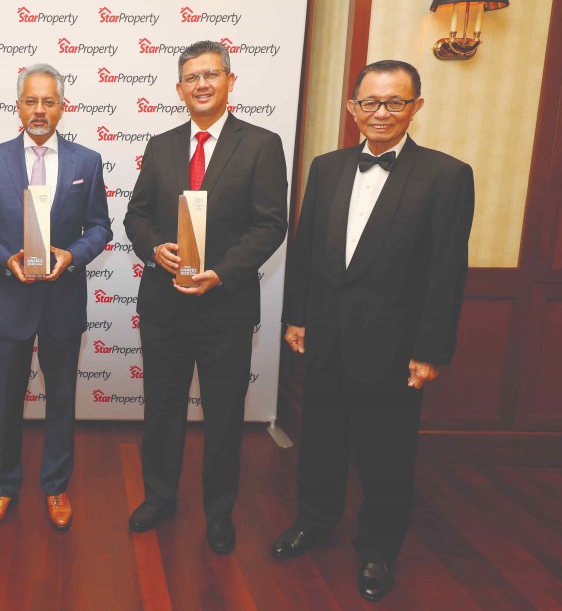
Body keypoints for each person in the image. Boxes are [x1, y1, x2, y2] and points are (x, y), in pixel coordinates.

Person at [271, 59, 474, 602]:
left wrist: (430, 349)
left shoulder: (447, 175)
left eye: (395, 102)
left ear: (416, 107)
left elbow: (446, 270)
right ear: (352, 108)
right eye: (370, 102)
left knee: (387, 454)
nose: (381, 112)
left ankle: (378, 549)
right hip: (325, 339)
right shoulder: (328, 166)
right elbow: (308, 250)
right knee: (320, 443)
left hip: (394, 350)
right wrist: (298, 316)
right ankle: (314, 522)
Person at [124, 40, 288, 554]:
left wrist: (221, 272)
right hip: (165, 302)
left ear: (230, 81)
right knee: (162, 409)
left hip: (225, 306)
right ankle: (159, 498)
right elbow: (136, 215)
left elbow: (271, 224)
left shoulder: (261, 144)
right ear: (178, 88)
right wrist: (155, 250)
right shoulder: (160, 145)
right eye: (191, 77)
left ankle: (219, 512)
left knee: (223, 416)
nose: (201, 84)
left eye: (211, 74)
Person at [0, 63, 112, 531]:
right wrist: (5, 257)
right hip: (12, 300)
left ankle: (56, 487)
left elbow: (101, 228)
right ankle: (4, 486)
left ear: (63, 108)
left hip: (63, 302)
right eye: (31, 100)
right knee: (7, 400)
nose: (40, 110)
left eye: (49, 101)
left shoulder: (86, 162)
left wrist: (72, 255)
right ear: (17, 106)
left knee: (61, 399)